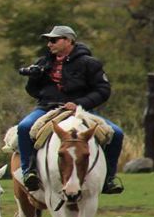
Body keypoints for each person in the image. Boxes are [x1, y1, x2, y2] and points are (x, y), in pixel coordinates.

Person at [17, 25, 124, 195]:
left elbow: (103, 90)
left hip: (80, 111)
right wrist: (37, 82)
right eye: (48, 41)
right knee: (23, 128)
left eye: (54, 40)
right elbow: (32, 90)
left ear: (68, 41)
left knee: (116, 133)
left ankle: (108, 179)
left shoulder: (90, 63)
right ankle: (29, 172)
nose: (49, 44)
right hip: (48, 109)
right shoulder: (43, 62)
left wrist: (78, 103)